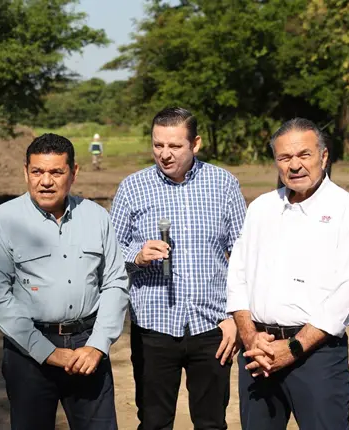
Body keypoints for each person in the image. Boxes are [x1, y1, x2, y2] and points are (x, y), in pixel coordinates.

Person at [226, 118, 349, 430]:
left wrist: (292, 349)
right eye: (284, 157)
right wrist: (251, 337)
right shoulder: (261, 208)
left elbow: (348, 294)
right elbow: (237, 276)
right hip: (259, 352)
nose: (294, 165)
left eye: (303, 155)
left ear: (323, 156)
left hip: (315, 357)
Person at [0, 133, 129, 430]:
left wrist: (98, 345)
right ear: (26, 172)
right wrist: (46, 351)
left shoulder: (96, 216)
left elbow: (114, 281)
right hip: (28, 352)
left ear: (73, 173)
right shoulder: (2, 220)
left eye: (56, 172)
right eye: (37, 172)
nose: (46, 181)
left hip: (88, 350)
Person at [110, 107, 245, 429]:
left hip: (213, 327)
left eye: (174, 146)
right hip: (154, 327)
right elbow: (109, 250)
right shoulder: (132, 187)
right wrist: (137, 255)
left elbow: (244, 255)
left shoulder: (223, 184)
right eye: (158, 146)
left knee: (211, 422)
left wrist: (236, 317)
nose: (165, 155)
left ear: (195, 144)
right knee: (154, 421)